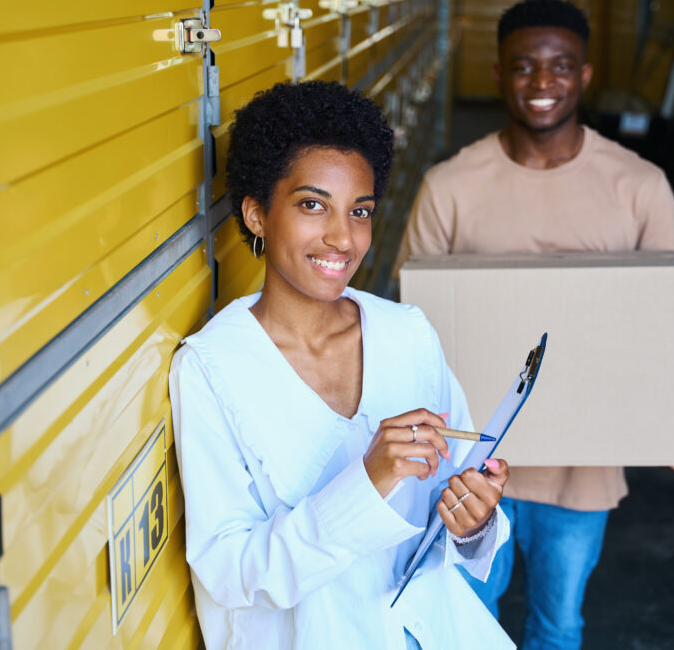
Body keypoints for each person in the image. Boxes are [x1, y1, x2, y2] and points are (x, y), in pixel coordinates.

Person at [394, 0, 674, 650]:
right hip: (471, 465)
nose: (542, 83)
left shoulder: (638, 184)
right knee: (461, 624)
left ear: (586, 74)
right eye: (524, 67)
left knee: (558, 625)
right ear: (497, 75)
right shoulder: (450, 186)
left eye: (560, 66)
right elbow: (407, 326)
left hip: (582, 470)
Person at [169, 80, 516, 650]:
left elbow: (454, 497)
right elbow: (230, 572)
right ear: (256, 214)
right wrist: (368, 481)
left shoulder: (406, 335)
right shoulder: (213, 368)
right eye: (312, 205)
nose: (342, 237)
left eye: (360, 211)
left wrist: (474, 519)